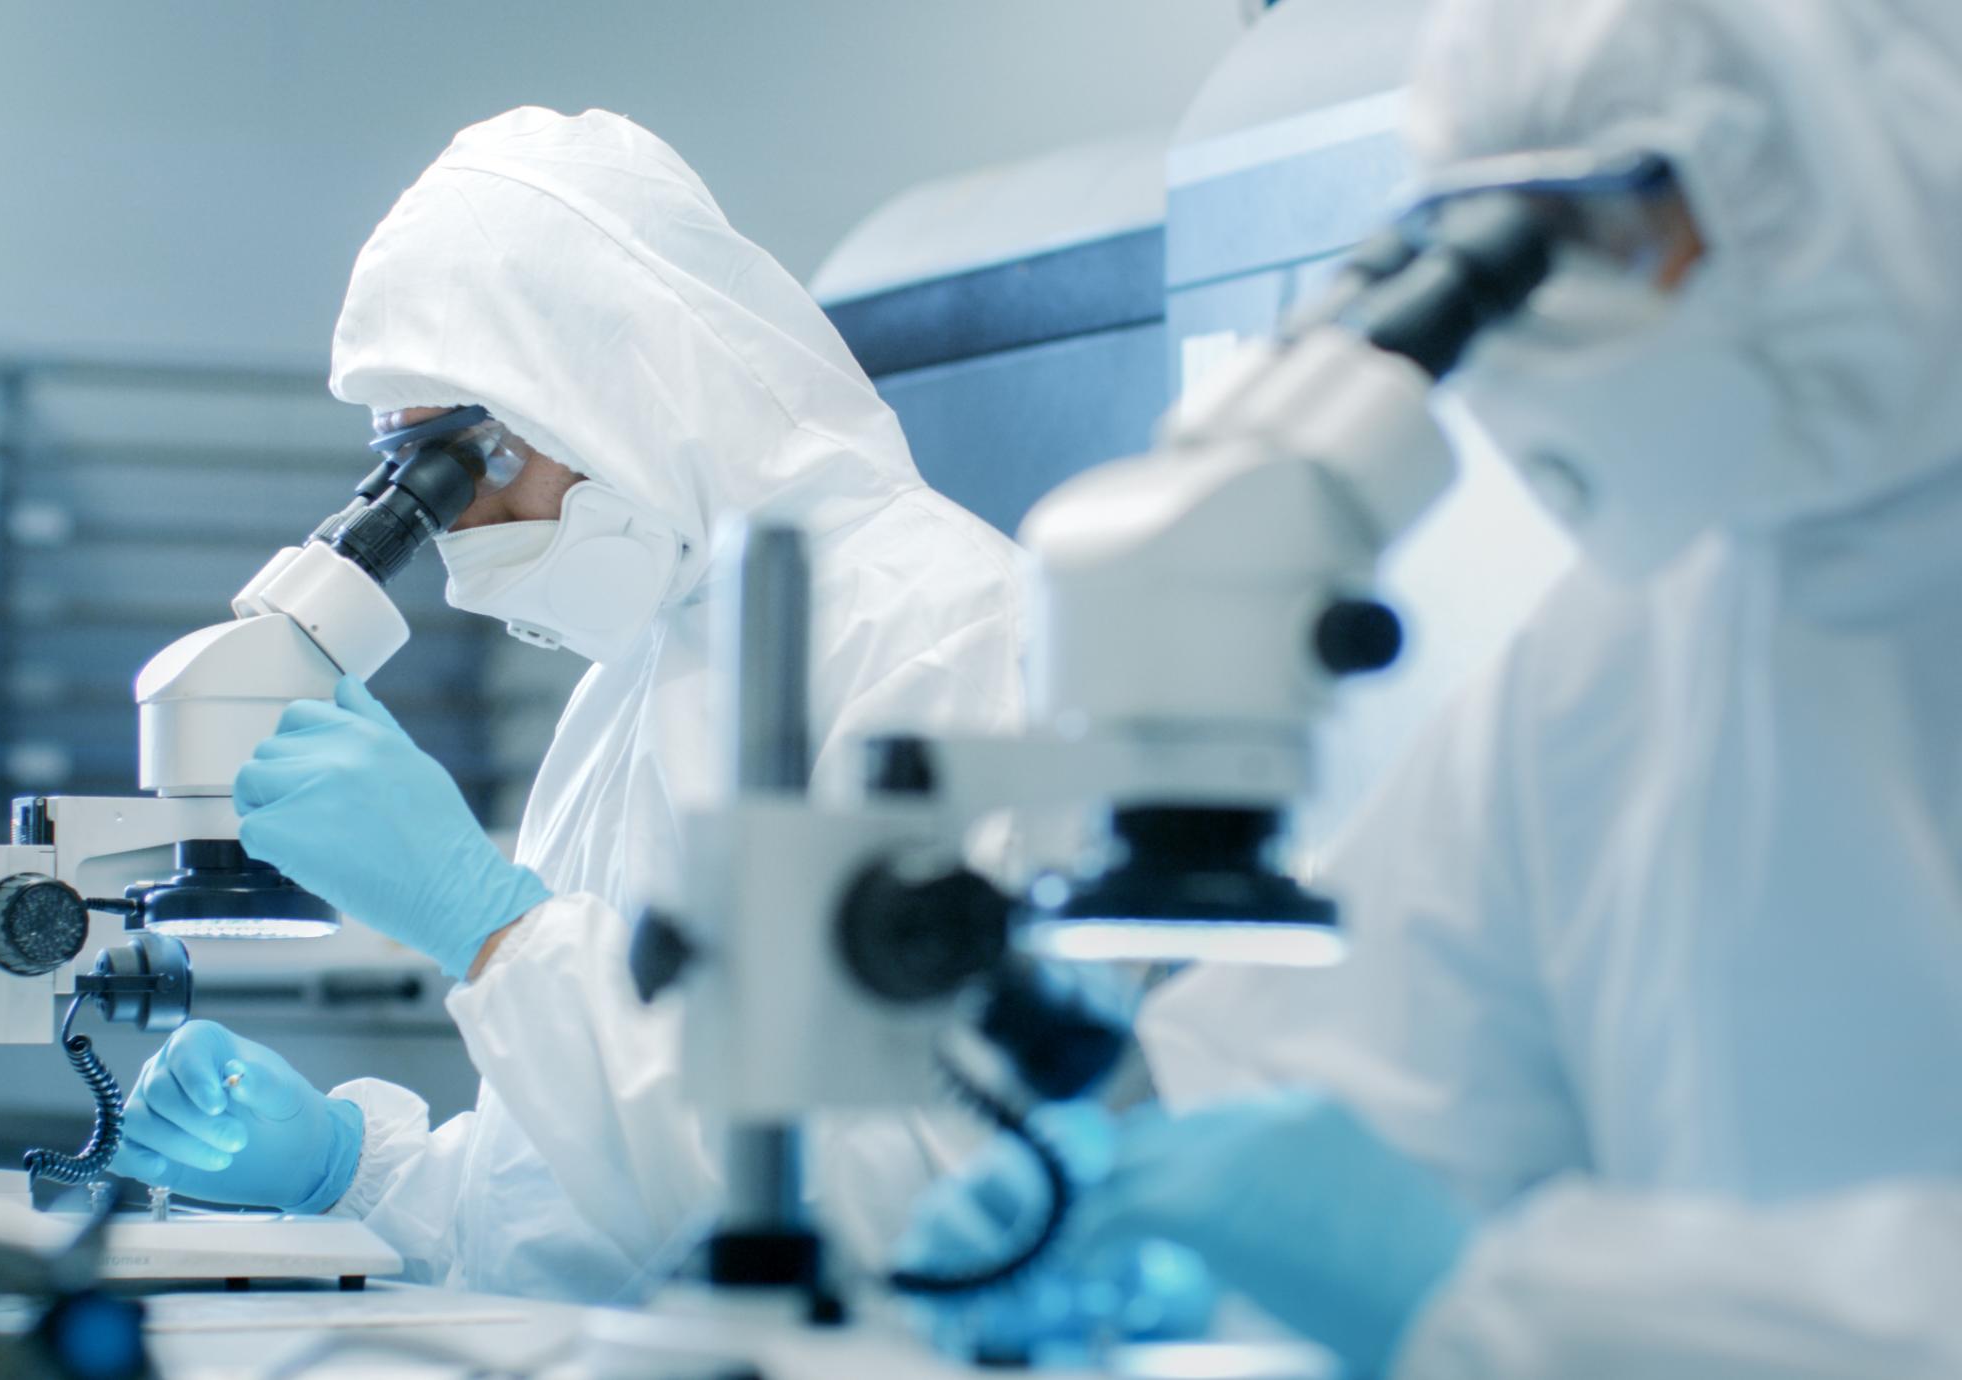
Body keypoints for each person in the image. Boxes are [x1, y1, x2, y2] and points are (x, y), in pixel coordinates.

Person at [901, 0, 1962, 1375]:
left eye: (1601, 227)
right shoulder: (1619, 654)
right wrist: (1164, 1232)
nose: (1539, 331)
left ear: (1865, 162)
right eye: (1486, 252)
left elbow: (1424, 1260)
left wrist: (1482, 1294)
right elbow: (1382, 1103)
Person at [111, 106, 1026, 1302]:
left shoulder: (947, 634)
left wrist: (500, 936)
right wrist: (352, 1169)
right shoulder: (639, 678)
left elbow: (909, 1200)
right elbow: (566, 1201)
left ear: (610, 388)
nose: (456, 535)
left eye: (461, 465)